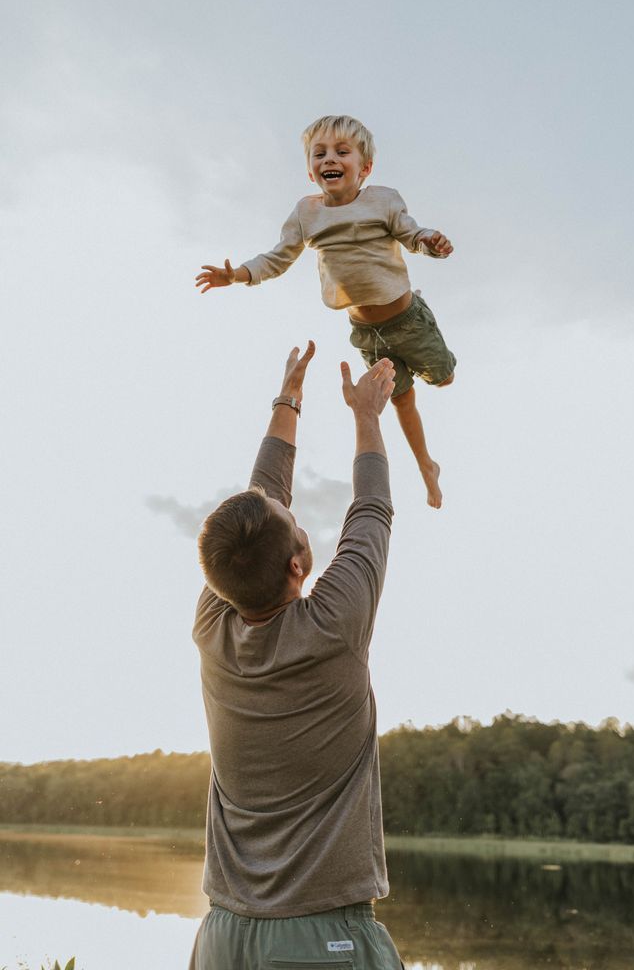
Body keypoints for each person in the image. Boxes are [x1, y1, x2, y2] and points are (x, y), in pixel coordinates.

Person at [189, 340, 404, 969]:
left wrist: (288, 401)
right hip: (318, 943)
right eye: (295, 522)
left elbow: (260, 500)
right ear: (298, 564)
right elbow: (371, 510)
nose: (290, 509)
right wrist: (366, 416)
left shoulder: (212, 621)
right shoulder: (333, 625)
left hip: (223, 938)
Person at [195, 114, 456, 509]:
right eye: (319, 154)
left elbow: (410, 232)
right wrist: (239, 275)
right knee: (401, 399)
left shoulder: (383, 200)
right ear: (310, 170)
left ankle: (435, 386)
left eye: (341, 152)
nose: (329, 159)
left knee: (444, 379)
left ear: (364, 168)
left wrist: (429, 242)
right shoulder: (307, 214)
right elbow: (278, 258)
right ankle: (426, 466)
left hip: (409, 320)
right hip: (368, 333)